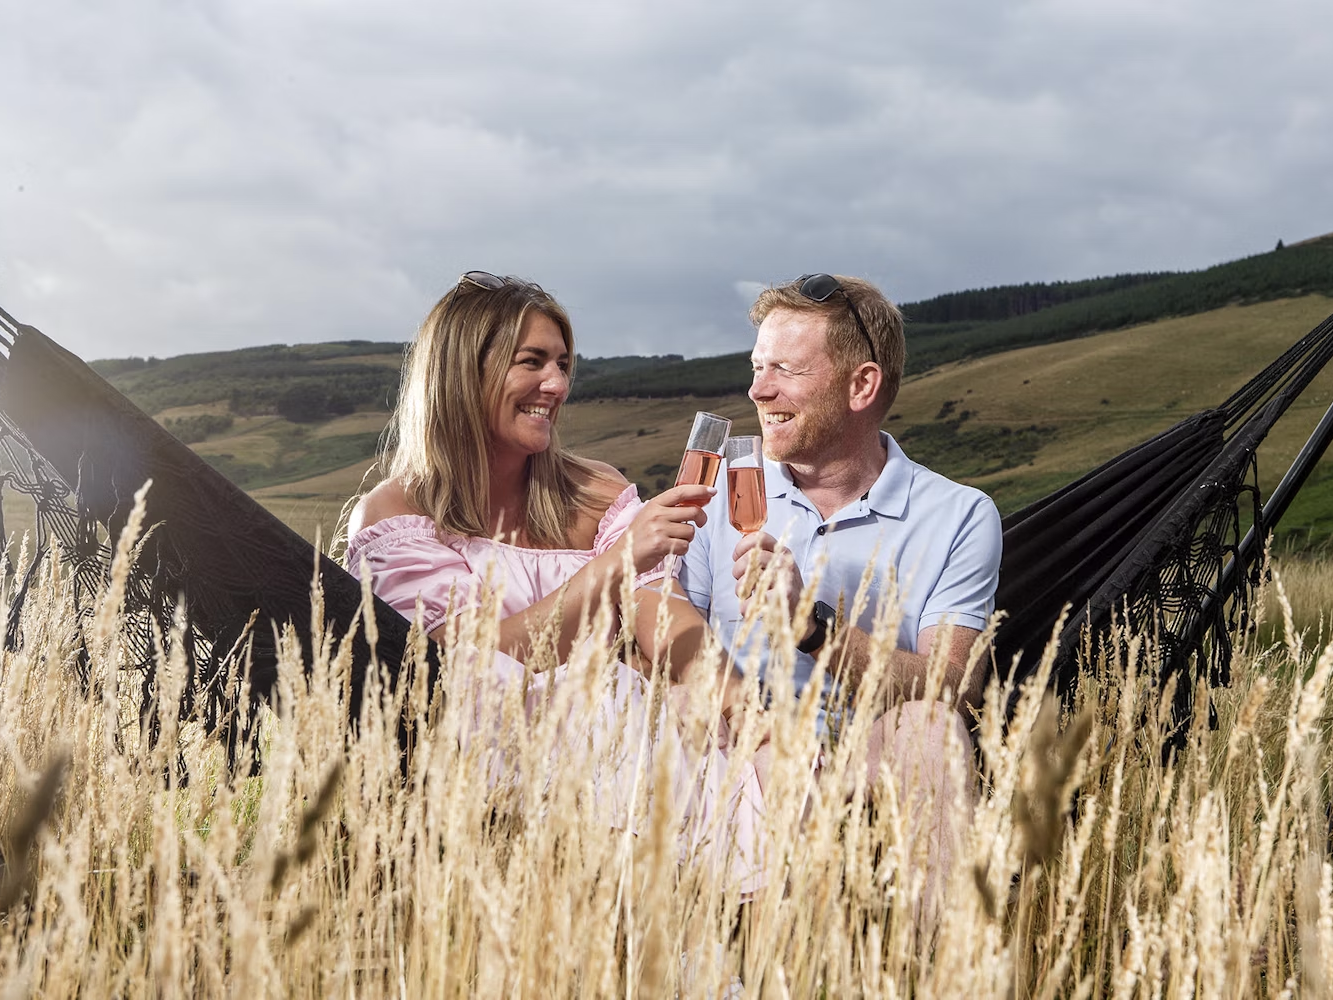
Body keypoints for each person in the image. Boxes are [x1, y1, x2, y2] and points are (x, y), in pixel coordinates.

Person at [345, 271, 763, 889]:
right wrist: (619, 562)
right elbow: (468, 665)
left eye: (564, 364)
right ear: (465, 371)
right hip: (495, 760)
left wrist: (734, 695)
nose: (557, 385)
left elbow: (661, 611)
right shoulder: (398, 513)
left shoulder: (595, 489)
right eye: (532, 362)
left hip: (622, 740)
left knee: (754, 755)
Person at [678, 273, 1003, 894]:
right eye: (757, 366)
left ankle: (936, 974)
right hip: (736, 740)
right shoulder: (719, 491)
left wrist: (814, 628)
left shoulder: (958, 515)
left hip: (865, 751)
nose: (758, 388)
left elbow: (953, 687)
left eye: (786, 370)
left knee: (932, 729)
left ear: (862, 385)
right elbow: (664, 641)